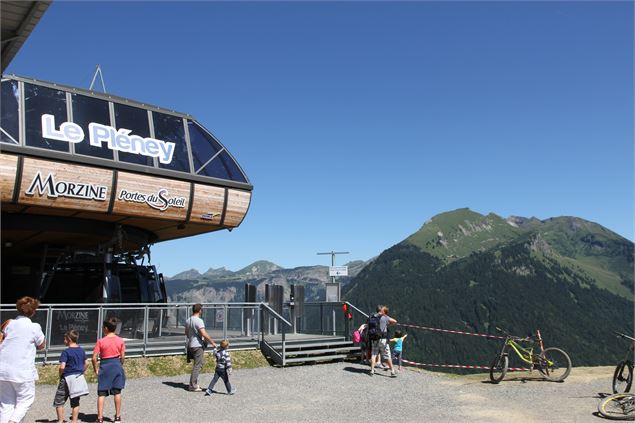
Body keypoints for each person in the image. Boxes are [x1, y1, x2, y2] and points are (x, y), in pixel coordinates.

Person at [0, 296, 46, 423]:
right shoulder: (34, 327)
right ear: (33, 311)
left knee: (6, 404)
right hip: (22, 371)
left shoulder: (9, 324)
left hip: (3, 369)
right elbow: (42, 345)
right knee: (26, 399)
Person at [92, 318, 125, 423]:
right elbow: (123, 356)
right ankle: (118, 416)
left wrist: (96, 369)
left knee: (101, 393)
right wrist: (120, 364)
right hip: (116, 364)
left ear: (106, 328)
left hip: (105, 366)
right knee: (117, 391)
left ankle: (100, 417)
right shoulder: (120, 340)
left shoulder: (101, 341)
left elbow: (94, 358)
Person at [53, 330, 89, 423]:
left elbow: (62, 367)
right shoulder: (81, 350)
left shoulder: (66, 352)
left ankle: (60, 420)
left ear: (69, 339)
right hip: (77, 377)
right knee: (75, 401)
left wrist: (60, 374)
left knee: (59, 400)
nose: (64, 341)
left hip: (66, 378)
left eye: (65, 339)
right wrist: (82, 370)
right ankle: (74, 421)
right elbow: (86, 363)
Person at [185, 304, 217, 392]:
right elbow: (203, 333)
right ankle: (193, 385)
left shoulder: (188, 320)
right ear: (200, 310)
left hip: (191, 344)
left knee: (198, 364)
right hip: (197, 345)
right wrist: (212, 342)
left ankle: (193, 383)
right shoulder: (199, 321)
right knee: (197, 365)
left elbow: (186, 333)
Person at [369, 305, 397, 377]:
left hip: (374, 338)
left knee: (374, 354)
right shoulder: (385, 317)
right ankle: (392, 371)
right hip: (383, 339)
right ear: (382, 311)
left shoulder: (373, 316)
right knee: (387, 355)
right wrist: (387, 325)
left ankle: (372, 370)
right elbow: (395, 321)